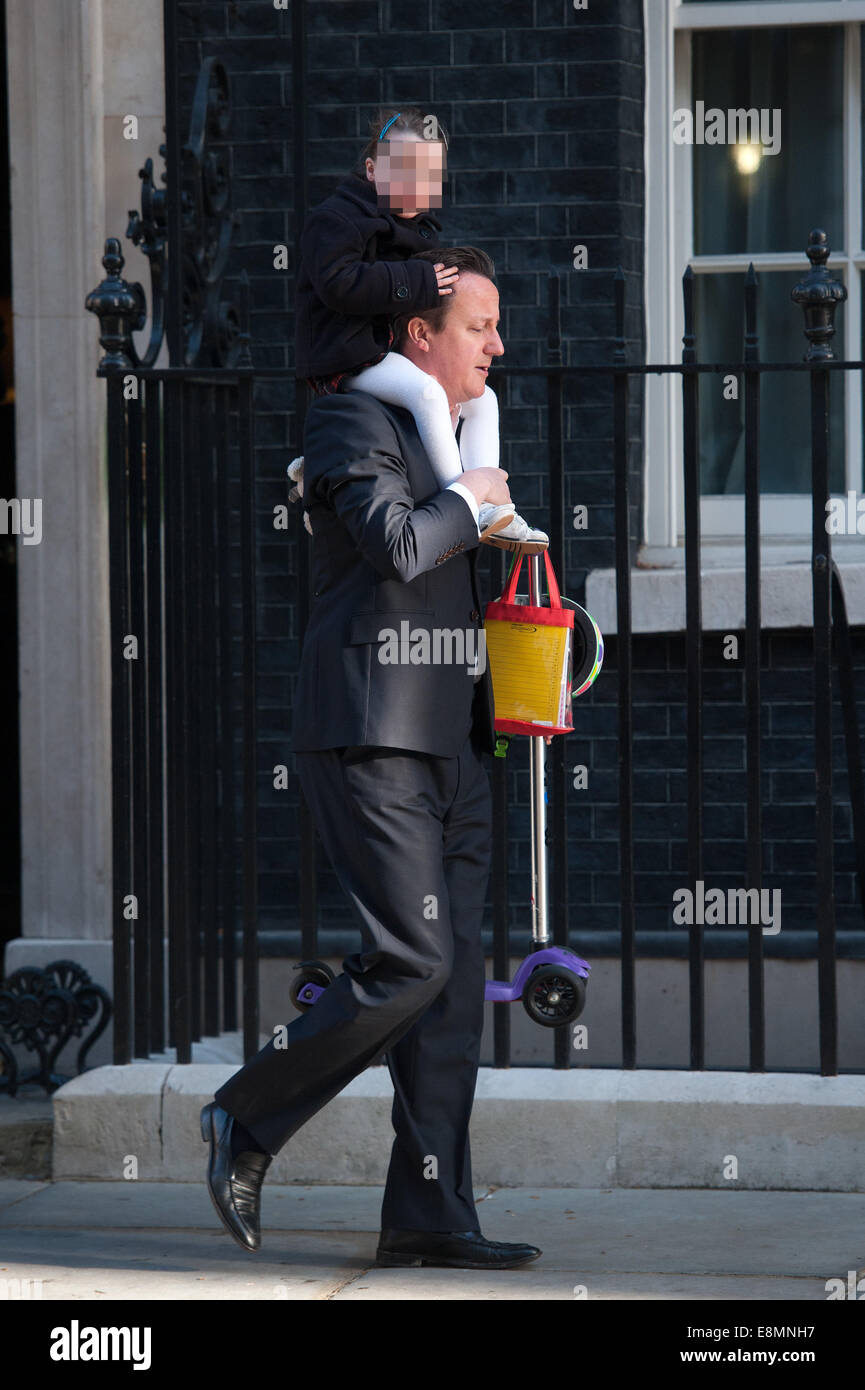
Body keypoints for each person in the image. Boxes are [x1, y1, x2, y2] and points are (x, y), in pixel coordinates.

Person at [199, 243, 543, 1271]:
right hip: (368, 731)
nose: (496, 343)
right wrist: (475, 503)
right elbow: (397, 547)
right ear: (419, 334)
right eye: (478, 325)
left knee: (450, 981)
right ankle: (245, 1116)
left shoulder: (461, 437)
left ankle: (430, 1210)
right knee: (411, 958)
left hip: (457, 739)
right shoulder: (353, 418)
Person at [290, 104, 548, 553]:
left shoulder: (419, 232)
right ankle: (466, 500)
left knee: (482, 400)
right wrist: (417, 282)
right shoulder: (336, 220)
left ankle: (494, 503)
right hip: (346, 358)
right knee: (427, 395)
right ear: (372, 170)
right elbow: (338, 285)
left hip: (383, 351)